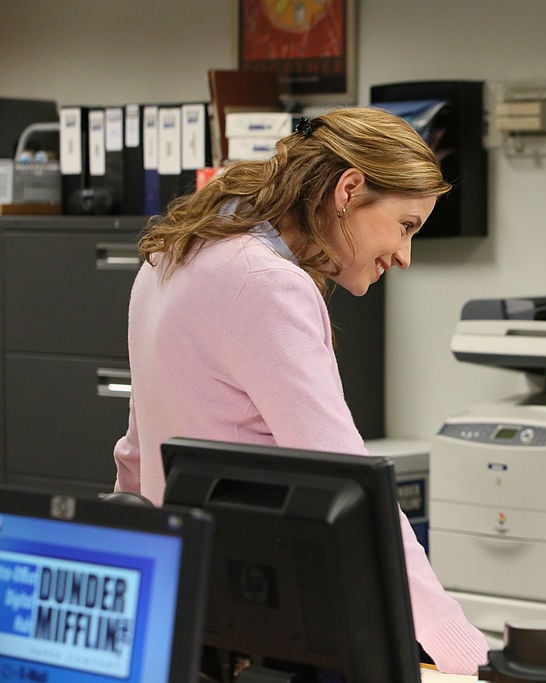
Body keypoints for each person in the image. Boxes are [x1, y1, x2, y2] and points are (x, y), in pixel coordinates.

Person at [111, 108, 488, 675]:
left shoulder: (173, 254)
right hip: (268, 614)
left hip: (187, 604)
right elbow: (351, 485)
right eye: (406, 226)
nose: (405, 256)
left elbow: (137, 454)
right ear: (349, 189)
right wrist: (463, 653)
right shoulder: (267, 282)